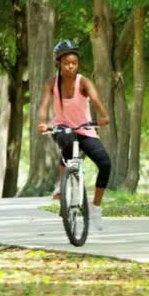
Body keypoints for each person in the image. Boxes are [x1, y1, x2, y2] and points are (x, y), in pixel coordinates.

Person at [36, 40, 111, 231]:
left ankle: (95, 207)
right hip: (62, 127)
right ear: (58, 63)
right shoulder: (52, 83)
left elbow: (95, 99)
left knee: (105, 163)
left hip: (85, 128)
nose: (71, 66)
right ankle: (62, 186)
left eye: (74, 63)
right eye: (67, 63)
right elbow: (44, 105)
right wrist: (43, 122)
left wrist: (103, 115)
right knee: (67, 143)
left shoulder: (83, 82)